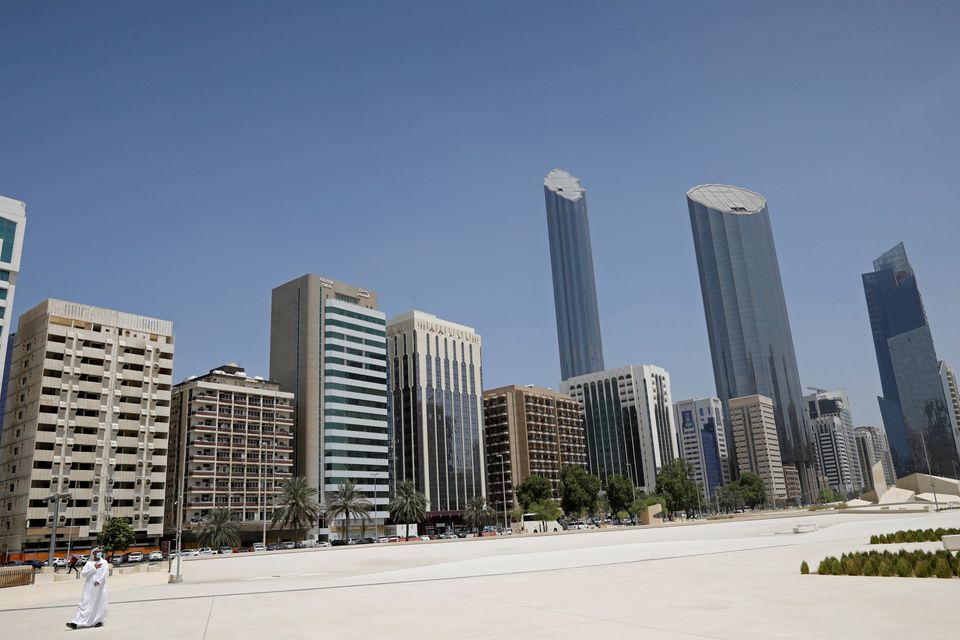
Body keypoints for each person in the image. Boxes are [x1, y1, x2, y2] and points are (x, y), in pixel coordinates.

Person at [66, 548, 108, 629]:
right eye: (97, 552)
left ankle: (99, 621)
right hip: (89, 587)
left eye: (100, 552)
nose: (99, 553)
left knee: (100, 603)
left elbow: (104, 573)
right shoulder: (89, 563)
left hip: (100, 587)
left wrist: (99, 581)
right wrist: (94, 568)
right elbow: (83, 573)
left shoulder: (104, 562)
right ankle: (75, 622)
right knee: (84, 603)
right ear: (93, 554)